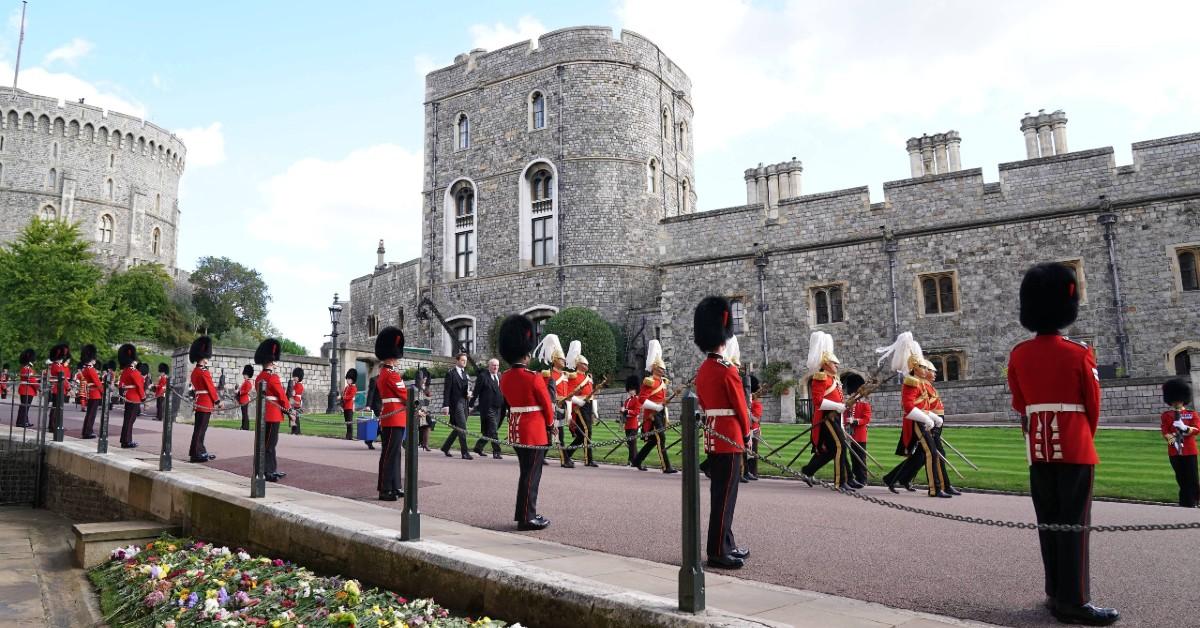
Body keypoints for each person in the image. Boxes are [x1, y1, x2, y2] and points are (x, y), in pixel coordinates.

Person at [1009, 262, 1118, 626]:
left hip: (1037, 447)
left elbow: (1019, 402)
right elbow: (1093, 403)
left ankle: (1055, 591)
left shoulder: (1019, 354)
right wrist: (1085, 436)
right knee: (1074, 524)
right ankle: (1075, 600)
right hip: (1073, 443)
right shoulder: (1078, 353)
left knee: (1049, 521)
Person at [693, 296, 751, 569]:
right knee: (725, 497)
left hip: (714, 437)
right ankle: (717, 550)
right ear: (724, 338)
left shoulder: (703, 370)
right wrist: (748, 433)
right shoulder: (728, 371)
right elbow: (741, 408)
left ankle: (727, 543)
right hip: (730, 438)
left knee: (722, 495)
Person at [497, 314, 554, 531]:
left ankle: (524, 513)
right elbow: (547, 406)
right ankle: (527, 517)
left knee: (526, 473)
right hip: (534, 431)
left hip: (516, 430)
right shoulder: (533, 377)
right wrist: (550, 425)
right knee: (531, 476)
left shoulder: (505, 377)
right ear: (527, 354)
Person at [879, 333, 948, 497]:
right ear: (914, 368)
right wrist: (926, 418)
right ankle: (935, 489)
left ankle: (931, 487)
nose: (926, 369)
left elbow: (923, 405)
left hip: (924, 421)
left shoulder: (920, 383)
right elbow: (909, 408)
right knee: (930, 454)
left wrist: (934, 417)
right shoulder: (911, 382)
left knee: (927, 454)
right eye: (922, 367)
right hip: (918, 423)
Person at [799, 332, 852, 489]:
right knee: (839, 447)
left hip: (834, 418)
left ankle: (808, 471)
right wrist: (837, 407)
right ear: (826, 363)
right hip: (826, 418)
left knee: (830, 451)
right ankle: (840, 482)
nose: (837, 366)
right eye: (835, 363)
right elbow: (818, 401)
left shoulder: (834, 379)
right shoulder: (821, 377)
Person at [631, 339, 678, 473]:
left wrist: (665, 403)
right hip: (652, 415)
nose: (663, 370)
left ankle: (637, 460)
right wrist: (657, 407)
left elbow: (661, 399)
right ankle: (666, 466)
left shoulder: (663, 382)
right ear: (655, 368)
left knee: (653, 441)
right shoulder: (649, 381)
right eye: (661, 368)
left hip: (660, 413)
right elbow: (642, 400)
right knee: (660, 438)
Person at [374, 327, 408, 501]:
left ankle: (395, 486)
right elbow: (404, 395)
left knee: (394, 453)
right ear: (393, 357)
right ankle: (385, 488)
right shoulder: (391, 375)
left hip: (394, 416)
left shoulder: (385, 373)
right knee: (390, 454)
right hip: (394, 417)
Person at [254, 338, 290, 481]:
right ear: (272, 361)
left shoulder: (259, 377)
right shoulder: (272, 377)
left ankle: (269, 469)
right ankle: (268, 472)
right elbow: (281, 395)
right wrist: (289, 410)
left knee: (265, 444)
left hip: (264, 413)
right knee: (270, 444)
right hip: (273, 414)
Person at [1161, 378, 1198, 508]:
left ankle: (1194, 500)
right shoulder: (1166, 415)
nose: (1176, 402)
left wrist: (1185, 428)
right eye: (1174, 400)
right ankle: (1186, 503)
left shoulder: (1191, 414)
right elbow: (1165, 431)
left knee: (1192, 477)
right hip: (1174, 450)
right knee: (1181, 478)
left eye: (1178, 399)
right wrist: (1174, 442)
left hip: (1189, 449)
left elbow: (1196, 429)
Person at [563, 346, 599, 467]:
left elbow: (591, 395)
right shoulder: (573, 376)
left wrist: (595, 410)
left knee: (581, 436)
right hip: (579, 407)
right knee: (587, 431)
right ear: (578, 364)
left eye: (586, 364)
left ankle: (566, 453)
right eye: (584, 364)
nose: (586, 366)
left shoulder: (588, 378)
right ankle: (588, 459)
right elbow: (568, 394)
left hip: (588, 406)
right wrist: (578, 402)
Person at [188, 336, 220, 462]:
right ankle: (196, 453)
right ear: (204, 358)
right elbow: (211, 388)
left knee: (199, 429)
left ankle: (199, 450)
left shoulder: (195, 371)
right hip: (205, 402)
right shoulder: (203, 372)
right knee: (201, 429)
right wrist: (217, 401)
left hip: (199, 400)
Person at [841, 373, 872, 487]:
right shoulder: (848, 404)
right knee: (853, 457)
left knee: (861, 458)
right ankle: (854, 478)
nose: (853, 395)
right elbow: (843, 417)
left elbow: (866, 419)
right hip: (849, 435)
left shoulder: (864, 405)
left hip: (860, 435)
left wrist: (854, 421)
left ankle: (862, 479)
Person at [440, 352, 473, 459]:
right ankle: (465, 452)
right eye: (462, 360)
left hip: (465, 403)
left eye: (466, 361)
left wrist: (469, 394)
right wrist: (446, 406)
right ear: (457, 360)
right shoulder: (451, 373)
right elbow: (447, 391)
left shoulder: (466, 374)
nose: (464, 362)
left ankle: (445, 447)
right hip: (456, 403)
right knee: (462, 427)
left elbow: (468, 388)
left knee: (459, 427)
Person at [470, 358, 505, 459]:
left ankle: (478, 447)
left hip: (498, 407)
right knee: (493, 430)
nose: (495, 367)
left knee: (489, 431)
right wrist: (471, 405)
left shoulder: (499, 376)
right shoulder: (483, 377)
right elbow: (476, 392)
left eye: (497, 365)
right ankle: (497, 451)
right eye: (493, 365)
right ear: (489, 366)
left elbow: (503, 392)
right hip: (487, 407)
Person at [116, 344, 143, 449]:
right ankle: (127, 441)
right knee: (130, 420)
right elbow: (139, 386)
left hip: (128, 396)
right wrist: (143, 396)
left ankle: (125, 440)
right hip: (134, 397)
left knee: (127, 420)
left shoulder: (125, 371)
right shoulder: (134, 371)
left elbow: (121, 385)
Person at [78, 345, 102, 438]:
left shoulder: (86, 369)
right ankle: (88, 432)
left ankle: (86, 431)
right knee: (91, 414)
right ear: (92, 359)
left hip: (91, 392)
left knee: (89, 414)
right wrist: (104, 391)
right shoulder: (91, 370)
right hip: (95, 393)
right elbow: (97, 383)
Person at [47, 344, 71, 433]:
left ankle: (54, 425)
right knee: (56, 409)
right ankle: (53, 426)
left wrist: (65, 365)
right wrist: (68, 388)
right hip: (58, 389)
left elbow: (67, 375)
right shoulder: (56, 366)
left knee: (57, 409)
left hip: (60, 389)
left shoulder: (59, 365)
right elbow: (63, 378)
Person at [621, 375, 642, 466]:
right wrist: (622, 411)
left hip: (633, 424)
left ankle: (634, 460)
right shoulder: (627, 401)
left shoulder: (637, 400)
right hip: (627, 424)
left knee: (633, 443)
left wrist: (626, 411)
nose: (631, 391)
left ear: (636, 389)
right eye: (629, 389)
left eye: (632, 389)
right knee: (629, 443)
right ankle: (631, 460)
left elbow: (636, 412)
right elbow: (625, 412)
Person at [15, 349, 37, 428]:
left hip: (27, 390)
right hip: (27, 390)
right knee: (24, 407)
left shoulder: (26, 368)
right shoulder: (27, 369)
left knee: (25, 407)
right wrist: (39, 387)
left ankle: (24, 421)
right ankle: (21, 422)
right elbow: (31, 379)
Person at [415, 367, 434, 451]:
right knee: (416, 427)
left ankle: (425, 444)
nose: (425, 380)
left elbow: (429, 402)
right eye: (423, 378)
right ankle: (415, 443)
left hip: (425, 409)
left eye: (426, 378)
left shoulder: (427, 389)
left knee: (427, 425)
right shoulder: (415, 387)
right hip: (417, 410)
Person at [342, 368, 358, 440]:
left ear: (352, 379)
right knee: (347, 422)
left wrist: (343, 398)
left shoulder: (354, 388)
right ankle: (348, 435)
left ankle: (350, 436)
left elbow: (350, 396)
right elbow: (344, 395)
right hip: (345, 406)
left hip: (349, 407)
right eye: (347, 379)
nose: (347, 380)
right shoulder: (347, 387)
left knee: (349, 422)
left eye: (348, 379)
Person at [236, 364, 254, 430]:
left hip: (244, 400)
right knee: (244, 414)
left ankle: (245, 427)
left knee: (245, 414)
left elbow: (246, 390)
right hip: (243, 399)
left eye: (244, 374)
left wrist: (239, 392)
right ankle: (243, 426)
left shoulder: (248, 382)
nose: (243, 375)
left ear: (247, 374)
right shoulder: (245, 382)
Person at [289, 367, 305, 435]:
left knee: (294, 417)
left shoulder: (298, 385)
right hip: (296, 402)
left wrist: (291, 386)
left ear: (298, 377)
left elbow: (293, 393)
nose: (293, 378)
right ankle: (295, 431)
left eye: (295, 376)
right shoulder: (299, 384)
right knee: (294, 417)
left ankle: (296, 431)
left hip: (295, 402)